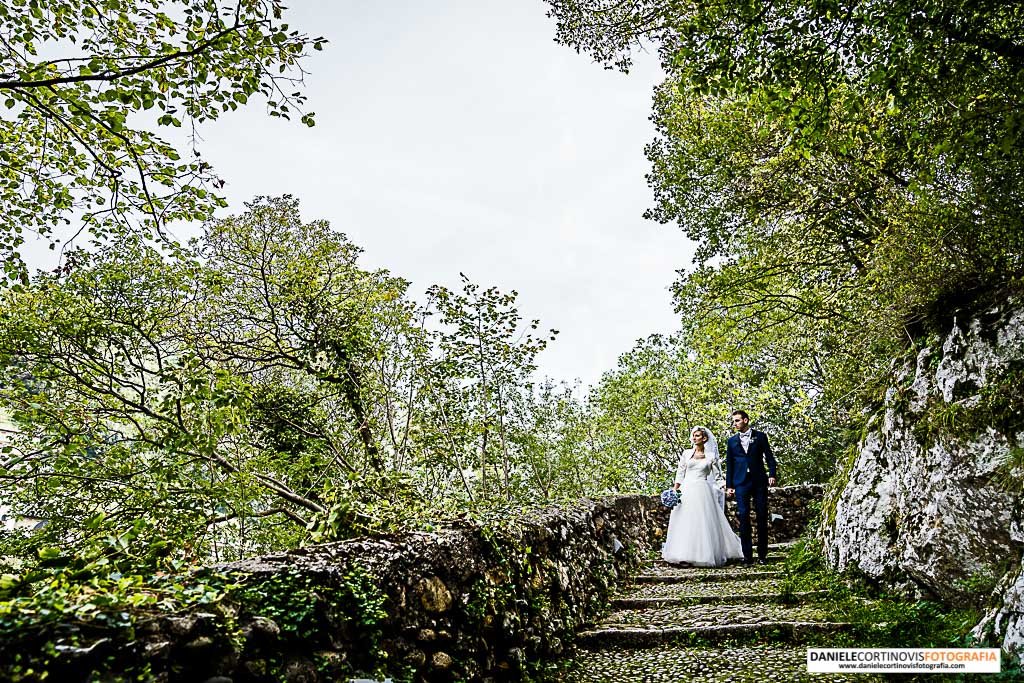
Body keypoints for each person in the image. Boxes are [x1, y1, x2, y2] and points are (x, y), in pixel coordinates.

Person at [661, 426, 744, 566]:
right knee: (685, 521)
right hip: (686, 490)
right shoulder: (686, 454)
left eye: (697, 435)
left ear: (704, 438)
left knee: (702, 522)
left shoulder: (711, 456)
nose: (694, 438)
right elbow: (680, 473)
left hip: (702, 491)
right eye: (693, 435)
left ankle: (702, 554)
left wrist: (726, 487)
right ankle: (683, 554)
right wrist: (675, 491)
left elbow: (718, 477)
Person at [724, 410, 778, 566]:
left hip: (759, 481)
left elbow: (769, 457)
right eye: (734, 421)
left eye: (737, 421)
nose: (735, 424)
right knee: (744, 517)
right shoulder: (731, 441)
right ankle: (747, 557)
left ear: (746, 420)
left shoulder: (760, 436)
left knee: (761, 515)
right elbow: (730, 464)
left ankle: (762, 555)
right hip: (741, 482)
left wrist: (772, 474)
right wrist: (729, 486)